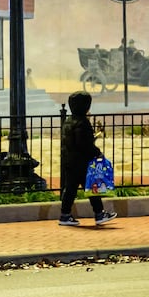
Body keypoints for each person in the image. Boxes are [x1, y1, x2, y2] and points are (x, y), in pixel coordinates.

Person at [58, 90, 117, 226]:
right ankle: (99, 214)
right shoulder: (82, 122)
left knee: (70, 189)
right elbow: (84, 144)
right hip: (81, 162)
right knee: (92, 188)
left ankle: (65, 215)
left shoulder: (68, 121)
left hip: (69, 160)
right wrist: (97, 153)